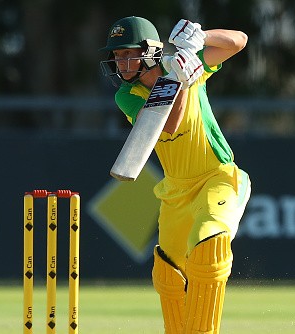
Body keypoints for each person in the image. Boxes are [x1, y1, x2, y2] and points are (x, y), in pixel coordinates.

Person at [100, 17, 252, 333]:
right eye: (116, 56)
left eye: (126, 53)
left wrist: (199, 38)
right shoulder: (127, 96)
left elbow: (239, 41)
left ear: (149, 52)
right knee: (168, 274)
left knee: (208, 243)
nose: (121, 63)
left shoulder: (190, 64)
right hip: (175, 191)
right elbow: (166, 123)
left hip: (217, 177)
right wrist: (180, 79)